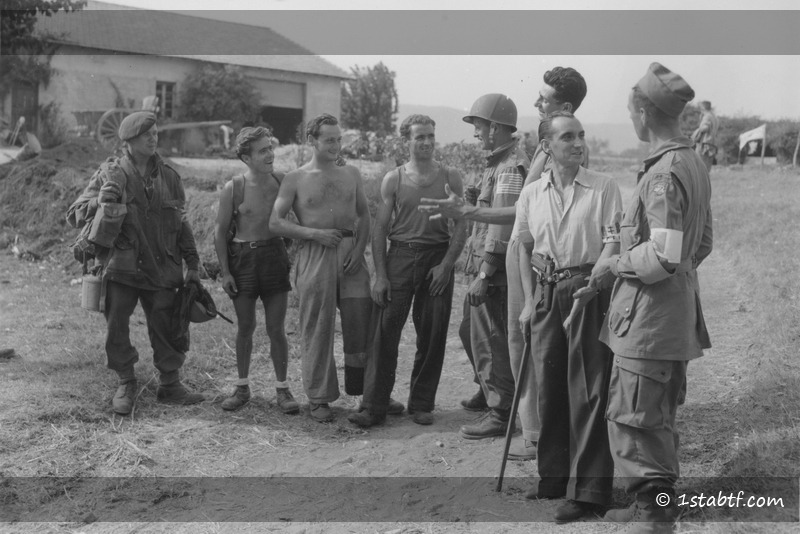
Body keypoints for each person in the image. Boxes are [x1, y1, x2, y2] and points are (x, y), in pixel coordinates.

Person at [418, 67, 589, 460]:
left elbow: (517, 217)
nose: (537, 102)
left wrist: (484, 264)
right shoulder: (529, 152)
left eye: (543, 98)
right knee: (491, 336)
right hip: (518, 258)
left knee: (507, 339)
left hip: (529, 259)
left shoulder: (538, 155)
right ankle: (508, 406)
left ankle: (510, 414)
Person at [590, 63, 712, 533]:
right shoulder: (692, 162)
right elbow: (700, 246)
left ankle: (655, 518)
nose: (630, 120)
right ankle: (651, 507)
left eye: (630, 111)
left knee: (636, 420)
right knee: (653, 417)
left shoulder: (662, 173)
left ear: (643, 111)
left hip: (648, 320)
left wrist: (615, 263)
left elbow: (663, 254)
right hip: (670, 315)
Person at [516, 111, 623, 522]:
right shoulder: (532, 194)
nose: (577, 143)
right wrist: (529, 301)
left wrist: (594, 285)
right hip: (545, 292)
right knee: (550, 385)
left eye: (581, 135)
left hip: (587, 290)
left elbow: (613, 245)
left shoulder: (604, 187)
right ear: (546, 147)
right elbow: (524, 248)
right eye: (567, 137)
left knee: (590, 391)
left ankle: (590, 492)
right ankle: (554, 479)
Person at [66, 111, 204, 415]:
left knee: (167, 324)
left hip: (162, 266)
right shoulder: (110, 173)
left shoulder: (169, 175)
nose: (154, 139)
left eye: (155, 133)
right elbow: (75, 214)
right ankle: (126, 381)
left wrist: (192, 265)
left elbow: (182, 224)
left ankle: (170, 383)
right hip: (122, 267)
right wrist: (97, 201)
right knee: (116, 326)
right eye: (147, 135)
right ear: (129, 141)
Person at [348, 115, 467, 428]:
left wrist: (446, 265)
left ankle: (421, 404)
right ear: (407, 141)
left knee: (433, 333)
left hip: (436, 259)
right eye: (419, 137)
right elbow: (380, 227)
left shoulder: (450, 176)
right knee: (384, 332)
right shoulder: (394, 179)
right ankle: (374, 407)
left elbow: (463, 224)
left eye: (430, 136)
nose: (426, 142)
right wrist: (381, 274)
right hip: (400, 255)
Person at [269, 113, 372, 423]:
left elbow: (365, 216)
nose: (336, 145)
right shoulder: (295, 178)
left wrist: (358, 247)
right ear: (311, 140)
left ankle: (364, 392)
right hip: (315, 255)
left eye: (339, 140)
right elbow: (275, 223)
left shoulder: (351, 173)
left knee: (360, 323)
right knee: (318, 327)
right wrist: (314, 234)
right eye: (329, 140)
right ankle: (319, 398)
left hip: (351, 255)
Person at [453, 94, 529, 440]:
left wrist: (485, 273)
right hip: (490, 267)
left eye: (479, 126)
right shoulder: (497, 163)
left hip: (495, 272)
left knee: (490, 339)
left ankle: (501, 410)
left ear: (496, 128)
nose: (476, 133)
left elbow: (501, 225)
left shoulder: (510, 167)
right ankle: (490, 390)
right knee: (471, 332)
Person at [213, 126, 299, 414]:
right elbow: (220, 232)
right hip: (244, 261)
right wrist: (226, 272)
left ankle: (283, 388)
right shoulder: (234, 188)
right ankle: (241, 387)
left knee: (277, 329)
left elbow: (300, 218)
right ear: (246, 158)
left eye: (270, 148)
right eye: (263, 150)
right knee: (246, 327)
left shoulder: (282, 181)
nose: (270, 154)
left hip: (274, 257)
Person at [692, 100, 719, 172]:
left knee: (699, 168)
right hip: (712, 145)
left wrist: (696, 133)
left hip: (704, 145)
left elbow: (705, 128)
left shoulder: (707, 116)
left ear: (703, 108)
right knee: (706, 170)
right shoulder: (714, 117)